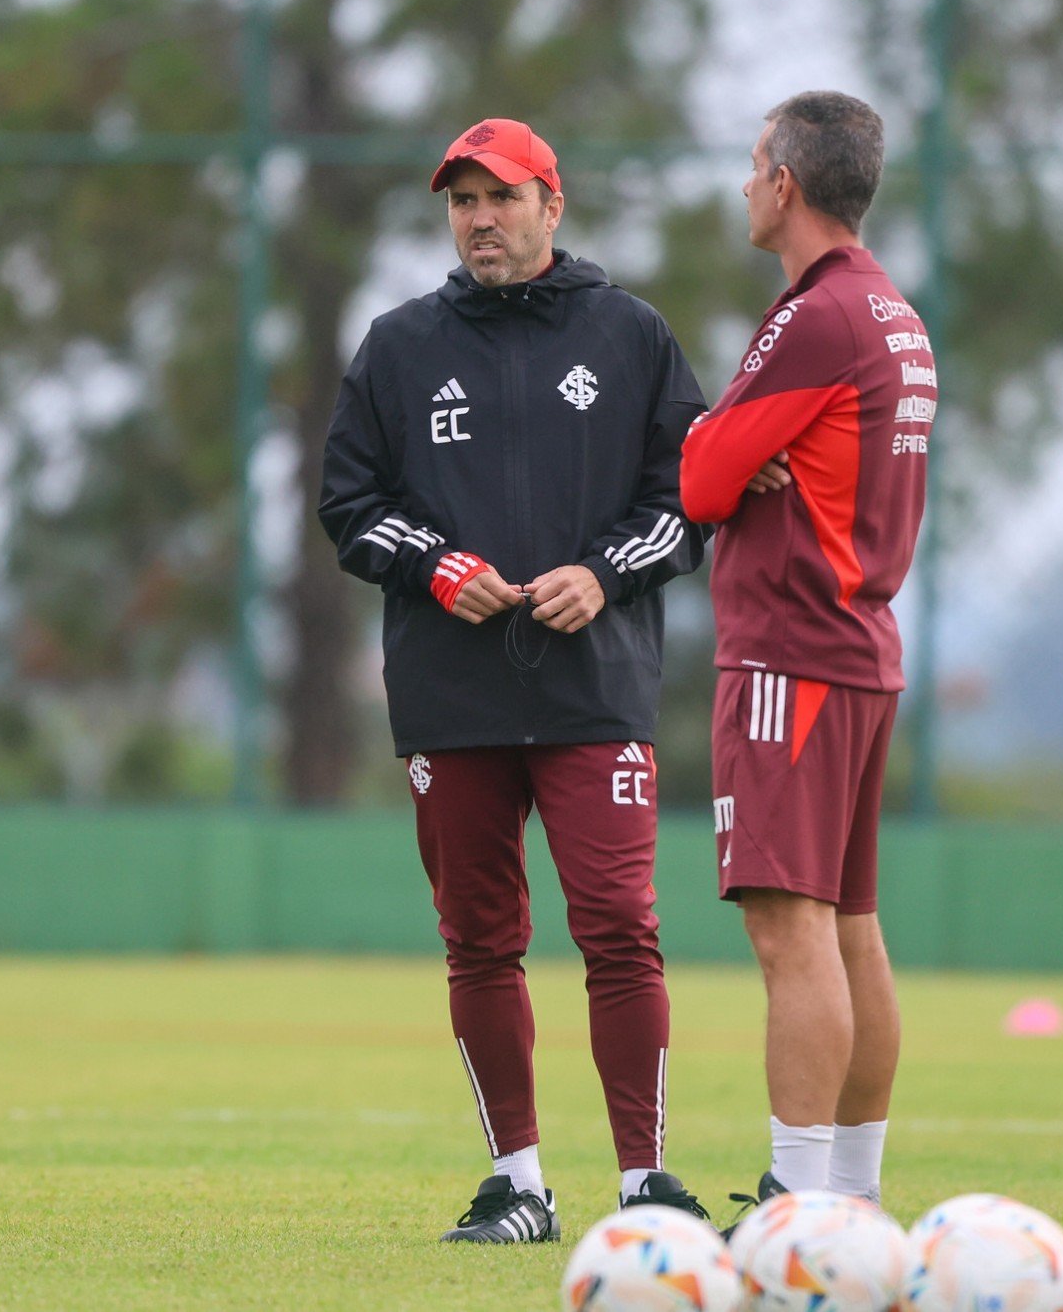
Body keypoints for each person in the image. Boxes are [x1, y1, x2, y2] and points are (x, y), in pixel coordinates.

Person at [320, 118, 712, 1243]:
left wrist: (602, 573)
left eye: (502, 197)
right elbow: (348, 506)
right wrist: (438, 568)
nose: (480, 220)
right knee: (479, 942)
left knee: (619, 928)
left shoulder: (630, 333)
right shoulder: (398, 345)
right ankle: (520, 1185)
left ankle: (646, 1186)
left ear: (554, 204)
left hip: (597, 689)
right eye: (462, 202)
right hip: (452, 697)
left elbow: (685, 499)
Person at [678, 91, 933, 1213]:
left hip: (792, 652)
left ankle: (797, 1201)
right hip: (862, 650)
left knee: (792, 935)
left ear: (786, 184)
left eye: (752, 166)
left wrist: (730, 449)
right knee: (850, 930)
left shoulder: (815, 315)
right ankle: (854, 1200)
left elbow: (696, 481)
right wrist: (747, 453)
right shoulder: (894, 313)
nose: (743, 185)